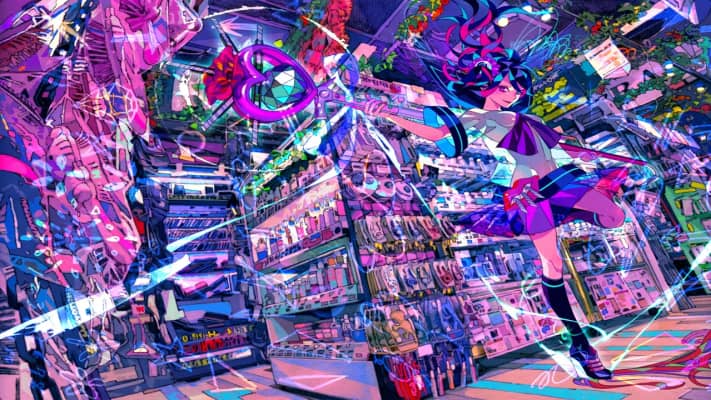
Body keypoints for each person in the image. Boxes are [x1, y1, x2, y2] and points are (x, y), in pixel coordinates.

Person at [365, 0, 628, 380]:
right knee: (553, 266)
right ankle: (579, 343)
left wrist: (573, 150)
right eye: (504, 86)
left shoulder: (526, 116)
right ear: (482, 85)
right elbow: (440, 136)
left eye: (515, 86)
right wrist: (390, 113)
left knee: (614, 215)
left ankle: (579, 328)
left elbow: (554, 148)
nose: (512, 92)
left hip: (563, 178)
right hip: (531, 192)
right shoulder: (479, 117)